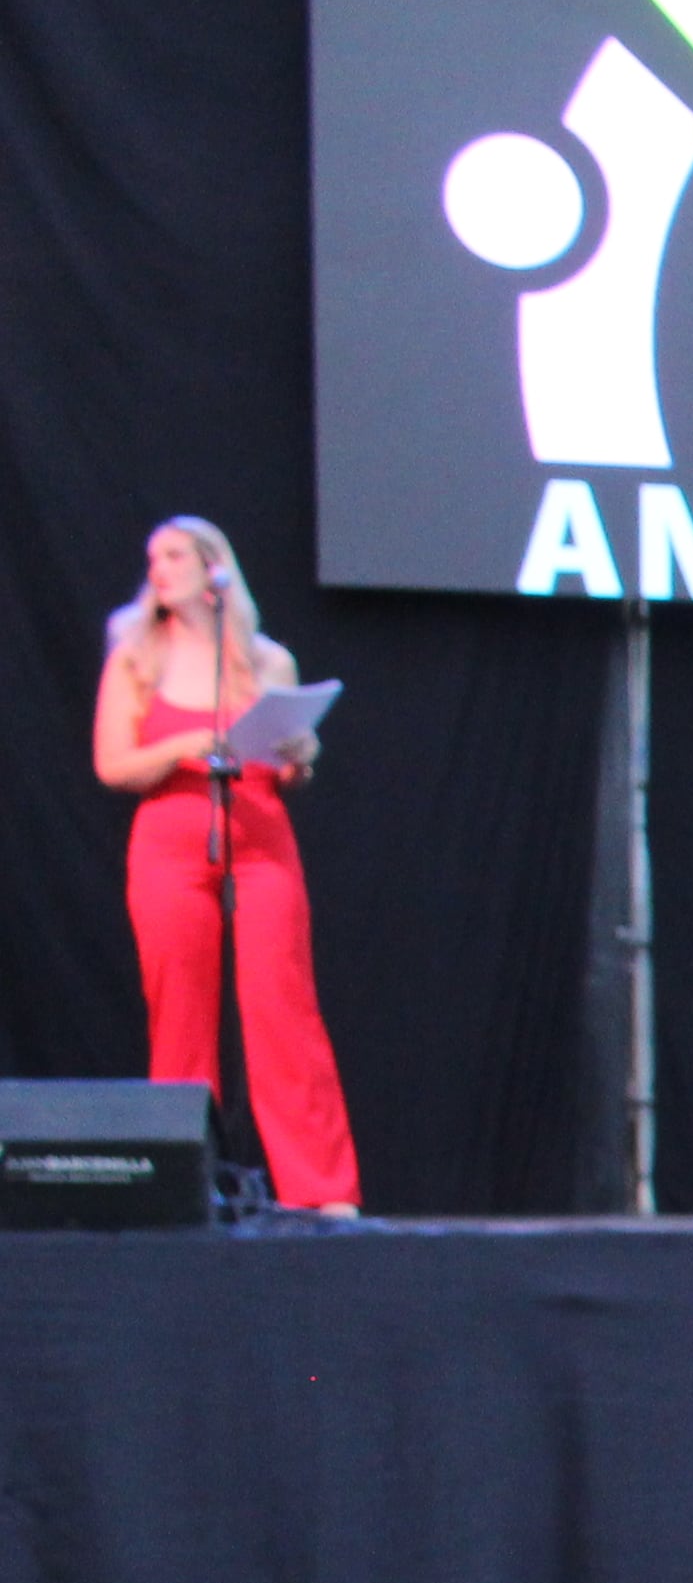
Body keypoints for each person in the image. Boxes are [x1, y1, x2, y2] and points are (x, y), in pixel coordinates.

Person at [89, 516, 361, 1209]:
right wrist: (184, 747)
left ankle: (322, 1190)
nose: (159, 568)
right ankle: (185, 1185)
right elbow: (112, 764)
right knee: (178, 1015)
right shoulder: (134, 658)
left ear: (214, 569)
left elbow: (285, 765)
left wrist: (299, 758)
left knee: (284, 1011)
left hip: (261, 837)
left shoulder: (266, 661)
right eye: (152, 556)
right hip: (171, 844)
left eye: (174, 554)